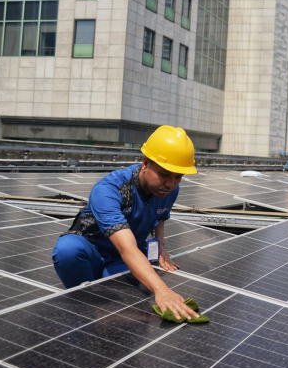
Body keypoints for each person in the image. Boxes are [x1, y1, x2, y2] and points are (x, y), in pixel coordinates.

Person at [52, 125, 200, 322]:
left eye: (178, 177)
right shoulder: (110, 189)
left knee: (125, 299)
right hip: (93, 251)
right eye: (164, 174)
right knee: (67, 250)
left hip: (123, 258)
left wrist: (161, 247)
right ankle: (84, 312)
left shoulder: (168, 190)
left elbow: (160, 216)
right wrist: (161, 290)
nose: (170, 184)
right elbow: (126, 246)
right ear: (145, 163)